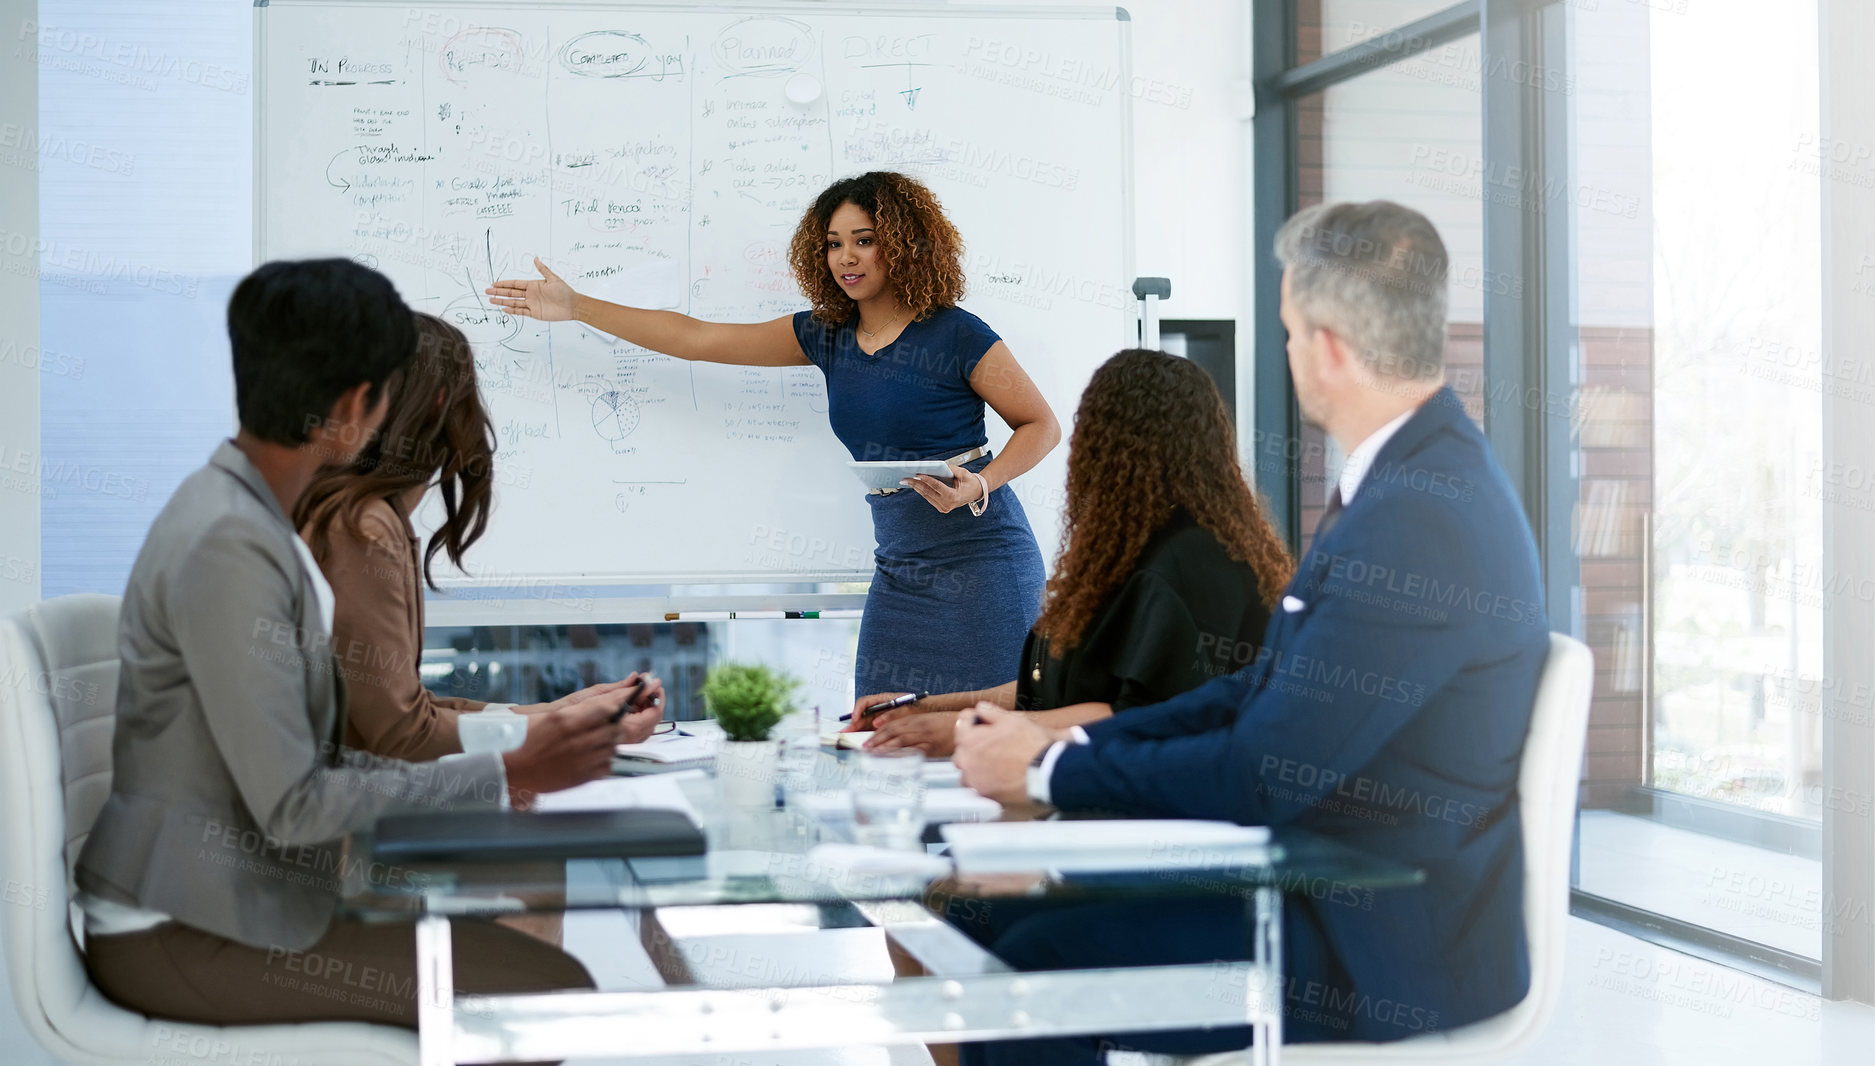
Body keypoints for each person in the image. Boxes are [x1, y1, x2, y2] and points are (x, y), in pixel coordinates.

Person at [950, 201, 1551, 1064]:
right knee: (983, 912)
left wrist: (1049, 766)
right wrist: (1065, 746)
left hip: (1382, 943)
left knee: (1028, 964)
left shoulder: (1418, 516)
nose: (1289, 354)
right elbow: (1256, 692)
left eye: (1291, 335)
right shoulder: (1409, 478)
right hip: (1323, 883)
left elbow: (1263, 770)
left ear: (1331, 346)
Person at [74, 259, 662, 1029]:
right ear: (358, 404)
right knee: (546, 994)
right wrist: (511, 762)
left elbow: (312, 756)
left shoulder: (239, 514)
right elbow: (295, 801)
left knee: (538, 959)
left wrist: (516, 746)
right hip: (191, 929)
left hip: (233, 895)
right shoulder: (232, 542)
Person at [487, 171, 1060, 700]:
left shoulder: (957, 333)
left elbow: (1042, 425)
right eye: (834, 243)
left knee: (993, 737)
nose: (846, 258)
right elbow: (699, 339)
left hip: (984, 564)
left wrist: (979, 483)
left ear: (903, 243)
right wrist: (578, 306)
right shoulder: (827, 334)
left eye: (863, 240)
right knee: (883, 731)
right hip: (901, 567)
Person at [847, 349, 1293, 757]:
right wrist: (922, 707)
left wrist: (966, 728)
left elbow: (1142, 716)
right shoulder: (1126, 549)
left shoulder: (1195, 560)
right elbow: (1054, 687)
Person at [296, 312, 665, 761]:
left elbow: (414, 710)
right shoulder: (362, 527)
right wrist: (569, 733)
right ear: (438, 404)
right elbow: (404, 734)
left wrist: (561, 713)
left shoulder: (367, 516)